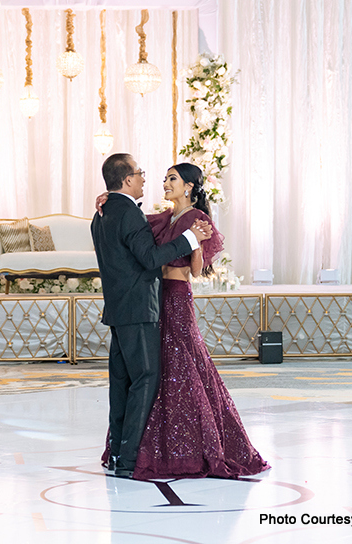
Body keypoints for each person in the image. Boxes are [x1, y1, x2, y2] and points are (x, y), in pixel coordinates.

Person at [100, 163, 270, 480]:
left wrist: (194, 243)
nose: (164, 183)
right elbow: (130, 223)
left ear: (189, 186)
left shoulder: (196, 219)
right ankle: (150, 448)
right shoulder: (165, 217)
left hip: (176, 296)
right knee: (156, 373)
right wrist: (107, 197)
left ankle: (187, 448)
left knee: (183, 367)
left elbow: (196, 270)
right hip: (152, 298)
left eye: (172, 179)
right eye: (164, 178)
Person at [91, 153, 212, 479]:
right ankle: (129, 460)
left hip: (121, 310)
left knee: (122, 383)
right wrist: (189, 239)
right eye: (141, 173)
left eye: (170, 177)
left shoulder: (101, 213)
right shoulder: (128, 213)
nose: (149, 179)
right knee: (145, 380)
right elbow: (149, 258)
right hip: (140, 309)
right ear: (127, 180)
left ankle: (119, 454)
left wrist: (195, 244)